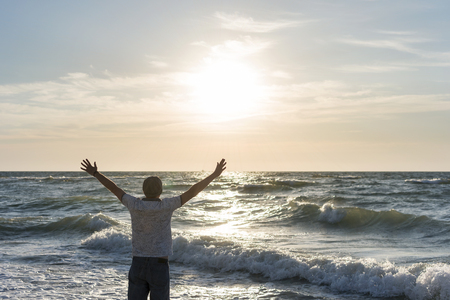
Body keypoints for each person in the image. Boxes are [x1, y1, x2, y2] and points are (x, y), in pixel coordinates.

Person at [80, 158, 227, 300]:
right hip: (160, 265)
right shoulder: (167, 205)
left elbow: (114, 188)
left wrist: (95, 173)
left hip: (138, 263)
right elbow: (193, 191)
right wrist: (214, 175)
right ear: (161, 190)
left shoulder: (134, 204)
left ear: (143, 190)